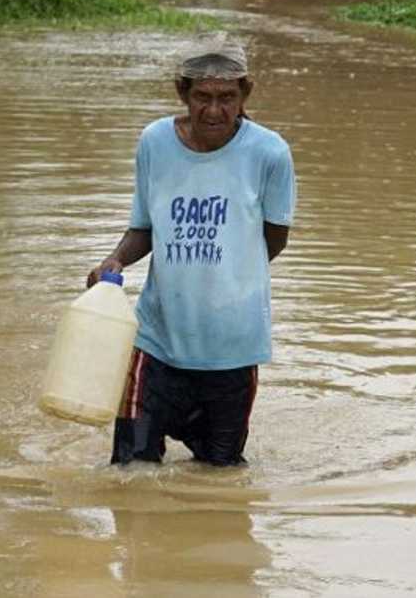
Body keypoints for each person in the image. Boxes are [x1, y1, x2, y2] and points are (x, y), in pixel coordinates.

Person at [88, 44, 295, 466]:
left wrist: (230, 277)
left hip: (232, 350)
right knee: (129, 472)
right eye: (203, 97)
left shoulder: (270, 154)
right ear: (183, 93)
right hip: (156, 342)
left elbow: (272, 239)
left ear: (245, 95)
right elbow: (145, 227)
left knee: (219, 478)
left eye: (227, 98)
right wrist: (115, 261)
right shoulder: (155, 142)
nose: (214, 110)